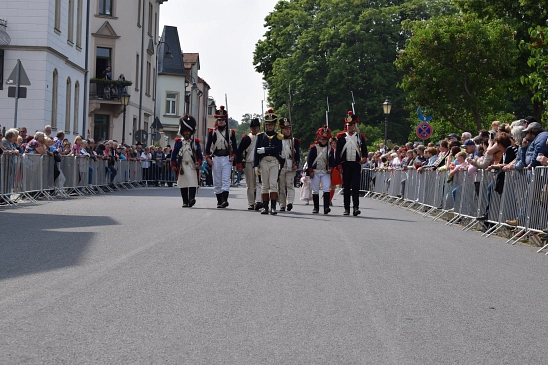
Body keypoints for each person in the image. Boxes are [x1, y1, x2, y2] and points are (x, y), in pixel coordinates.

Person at [336, 111, 368, 216]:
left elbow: (364, 150)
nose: (349, 126)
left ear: (354, 125)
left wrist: (364, 158)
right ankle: (346, 208)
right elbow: (337, 153)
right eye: (348, 124)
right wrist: (339, 165)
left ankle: (356, 207)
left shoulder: (360, 137)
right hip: (345, 164)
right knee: (346, 187)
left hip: (356, 164)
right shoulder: (341, 137)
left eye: (351, 125)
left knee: (355, 187)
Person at [205, 106, 237, 208]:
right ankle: (219, 201)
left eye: (223, 119)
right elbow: (208, 145)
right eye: (219, 120)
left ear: (226, 120)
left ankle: (225, 200)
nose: (221, 121)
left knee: (226, 180)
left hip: (227, 158)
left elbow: (235, 146)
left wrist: (233, 156)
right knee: (217, 181)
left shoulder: (230, 132)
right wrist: (208, 157)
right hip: (216, 158)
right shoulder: (212, 132)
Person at [254, 108, 283, 215]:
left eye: (271, 124)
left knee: (273, 184)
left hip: (274, 161)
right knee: (265, 185)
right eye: (268, 124)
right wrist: (256, 165)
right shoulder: (261, 136)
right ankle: (265, 207)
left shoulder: (278, 136)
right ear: (265, 125)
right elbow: (256, 151)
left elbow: (278, 148)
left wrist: (266, 150)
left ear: (274, 125)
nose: (270, 126)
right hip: (264, 162)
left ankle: (273, 207)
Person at [170, 115, 203, 208]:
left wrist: (199, 162)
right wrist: (173, 164)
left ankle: (191, 199)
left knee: (193, 182)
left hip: (192, 165)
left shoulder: (195, 143)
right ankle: (185, 201)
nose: (187, 133)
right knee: (183, 183)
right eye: (185, 131)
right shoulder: (178, 142)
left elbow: (199, 155)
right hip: (182, 165)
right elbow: (173, 154)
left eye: (188, 131)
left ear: (191, 132)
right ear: (182, 132)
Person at [236, 117, 262, 210]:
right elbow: (239, 151)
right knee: (250, 184)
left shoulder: (262, 137)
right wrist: (239, 163)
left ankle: (259, 201)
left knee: (259, 183)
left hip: (259, 164)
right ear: (251, 128)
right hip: (249, 162)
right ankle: (251, 203)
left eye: (257, 127)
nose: (255, 129)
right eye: (253, 127)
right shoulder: (247, 139)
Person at [307, 125, 333, 214]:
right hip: (315, 171)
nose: (323, 141)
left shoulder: (330, 149)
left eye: (325, 139)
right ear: (319, 138)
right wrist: (310, 170)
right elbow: (309, 160)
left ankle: (326, 207)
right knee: (315, 190)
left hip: (326, 172)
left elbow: (332, 160)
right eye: (322, 139)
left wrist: (331, 168)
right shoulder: (313, 148)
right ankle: (316, 208)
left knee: (326, 188)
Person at [278, 117, 300, 212]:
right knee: (281, 186)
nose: (288, 131)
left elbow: (298, 154)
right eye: (286, 129)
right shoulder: (278, 139)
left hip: (291, 165)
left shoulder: (294, 141)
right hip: (281, 166)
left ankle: (290, 202)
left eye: (289, 128)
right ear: (282, 129)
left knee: (290, 185)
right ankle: (282, 204)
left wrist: (296, 163)